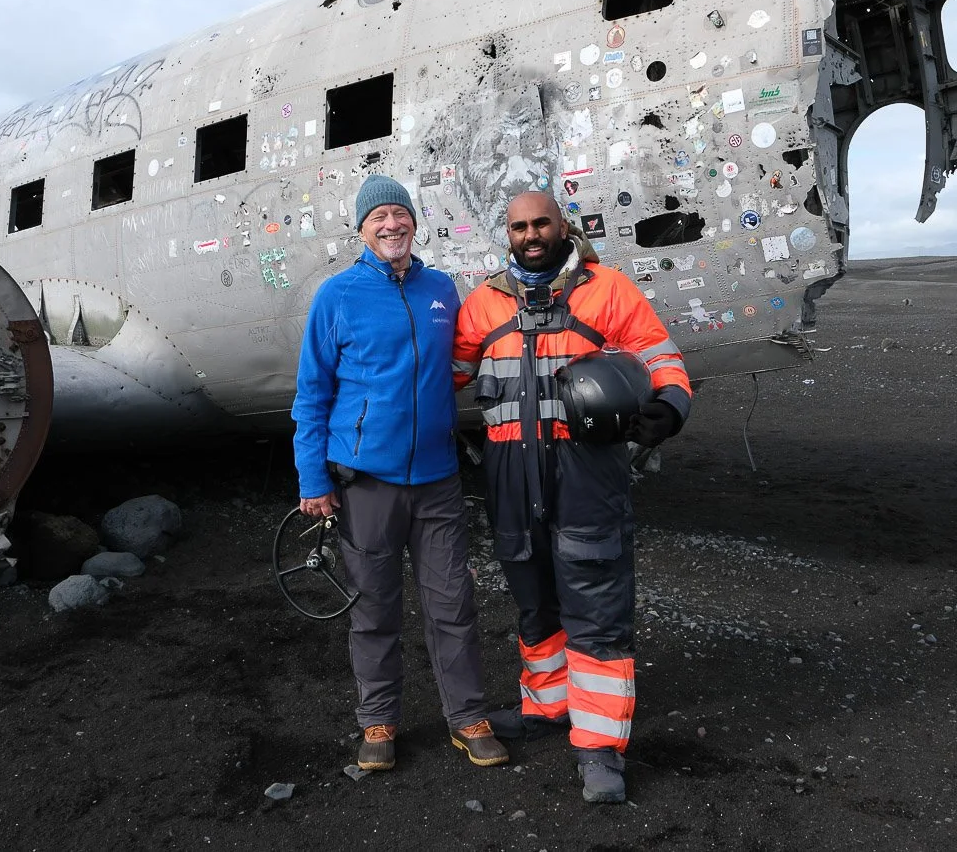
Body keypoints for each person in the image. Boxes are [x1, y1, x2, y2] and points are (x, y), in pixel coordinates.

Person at [452, 191, 691, 804]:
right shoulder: (482, 304)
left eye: (541, 223)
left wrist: (669, 406)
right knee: (532, 598)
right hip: (509, 473)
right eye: (519, 226)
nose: (531, 235)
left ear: (562, 226)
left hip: (587, 472)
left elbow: (660, 356)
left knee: (596, 605)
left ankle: (599, 746)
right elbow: (445, 375)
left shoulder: (608, 289)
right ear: (506, 234)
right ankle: (547, 706)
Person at [291, 174, 507, 773]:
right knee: (373, 607)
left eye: (400, 214)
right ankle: (378, 720)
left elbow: (466, 361)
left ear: (414, 222)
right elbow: (311, 394)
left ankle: (467, 717)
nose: (392, 225)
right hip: (365, 483)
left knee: (453, 604)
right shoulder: (337, 296)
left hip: (437, 478)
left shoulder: (441, 289)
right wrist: (313, 479)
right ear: (362, 229)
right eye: (378, 217)